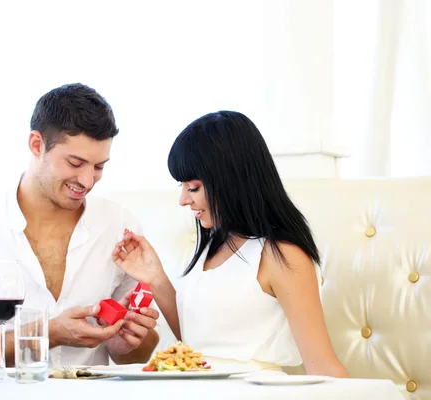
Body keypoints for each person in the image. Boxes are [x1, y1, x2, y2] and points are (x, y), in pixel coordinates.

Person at [0, 83, 159, 367]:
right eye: (75, 163)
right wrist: (48, 333)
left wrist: (126, 345)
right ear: (37, 144)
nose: (87, 181)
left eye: (99, 167)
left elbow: (137, 355)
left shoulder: (120, 224)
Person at [112, 111, 348, 377]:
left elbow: (322, 364)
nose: (182, 200)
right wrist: (155, 278)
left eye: (193, 188)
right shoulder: (216, 244)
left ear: (232, 181)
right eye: (183, 186)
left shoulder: (282, 254)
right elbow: (199, 342)